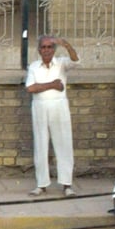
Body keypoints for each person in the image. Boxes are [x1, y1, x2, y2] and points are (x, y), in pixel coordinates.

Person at [25, 35, 80, 197]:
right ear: (39, 50)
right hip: (40, 107)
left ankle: (67, 184)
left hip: (59, 106)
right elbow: (30, 88)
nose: (47, 50)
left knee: (64, 143)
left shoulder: (61, 63)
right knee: (41, 144)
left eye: (50, 47)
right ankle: (41, 184)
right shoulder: (34, 66)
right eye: (44, 47)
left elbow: (76, 61)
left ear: (54, 49)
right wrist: (53, 85)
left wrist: (67, 45)